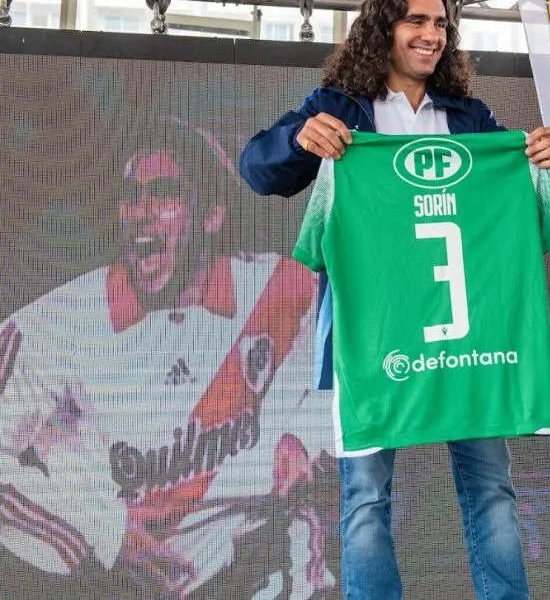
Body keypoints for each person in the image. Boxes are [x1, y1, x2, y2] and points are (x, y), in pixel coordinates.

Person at [238, 0, 550, 600]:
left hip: (466, 328)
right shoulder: (339, 105)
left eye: (441, 24)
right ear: (382, 29)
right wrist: (300, 139)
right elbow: (258, 168)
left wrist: (548, 158)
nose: (432, 34)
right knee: (365, 495)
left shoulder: (469, 116)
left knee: (491, 486)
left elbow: (514, 206)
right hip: (374, 331)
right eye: (417, 21)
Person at [0, 117, 337, 599]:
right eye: (130, 196)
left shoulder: (281, 293)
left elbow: (358, 383)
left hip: (264, 567)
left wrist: (304, 441)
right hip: (119, 585)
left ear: (212, 215)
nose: (140, 212)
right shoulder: (62, 320)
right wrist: (105, 533)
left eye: (163, 194)